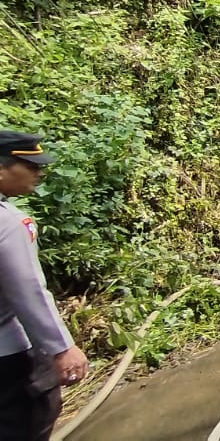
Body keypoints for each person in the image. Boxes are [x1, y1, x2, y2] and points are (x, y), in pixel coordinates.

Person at [0, 131, 89, 441]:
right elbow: (27, 291)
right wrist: (61, 348)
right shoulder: (8, 223)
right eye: (32, 166)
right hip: (10, 359)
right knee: (29, 421)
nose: (39, 173)